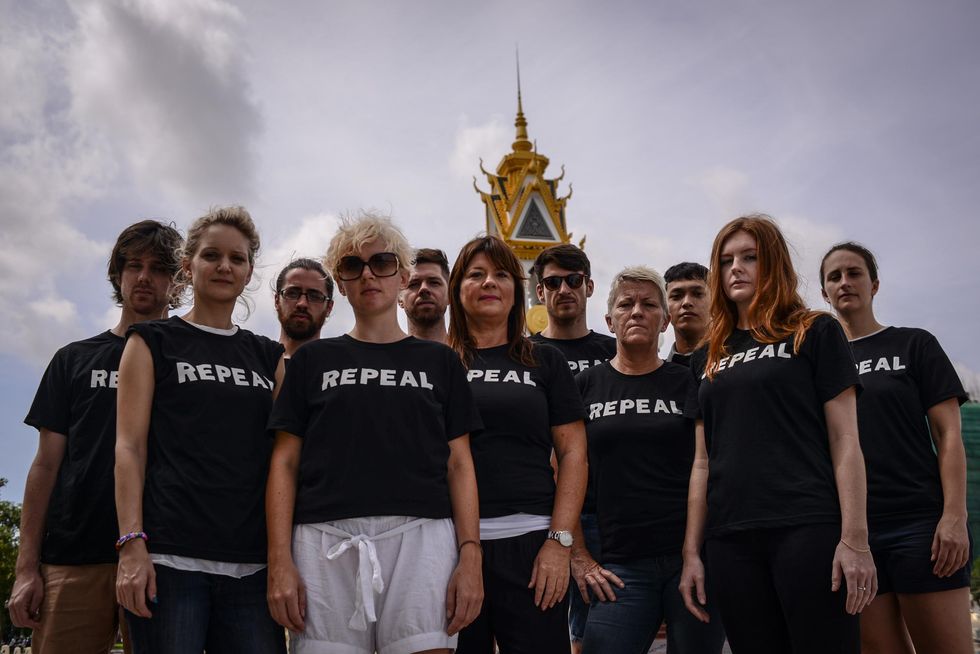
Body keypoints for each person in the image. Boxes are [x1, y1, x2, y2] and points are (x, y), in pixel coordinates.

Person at [266, 213, 483, 654]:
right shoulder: (311, 362)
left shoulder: (440, 362)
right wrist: (280, 559)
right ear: (340, 285)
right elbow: (284, 462)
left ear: (402, 275)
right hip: (324, 541)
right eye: (351, 265)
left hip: (423, 539)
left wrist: (471, 553)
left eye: (381, 261)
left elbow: (459, 463)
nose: (367, 273)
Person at [679, 214, 876, 654]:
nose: (736, 268)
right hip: (730, 536)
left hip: (806, 526)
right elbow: (701, 462)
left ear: (774, 265)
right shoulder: (707, 355)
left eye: (750, 257)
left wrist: (855, 539)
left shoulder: (813, 329)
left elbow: (846, 441)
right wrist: (693, 552)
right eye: (726, 260)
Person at [114, 206, 286, 654]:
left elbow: (285, 460)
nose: (225, 266)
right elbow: (129, 448)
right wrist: (131, 544)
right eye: (212, 255)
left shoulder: (268, 357)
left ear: (250, 272)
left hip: (251, 567)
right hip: (170, 562)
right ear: (188, 266)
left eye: (238, 258)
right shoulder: (151, 341)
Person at [10, 220, 182, 653]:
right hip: (74, 555)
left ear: (178, 280)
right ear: (117, 274)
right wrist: (26, 568)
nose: (144, 277)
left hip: (165, 558)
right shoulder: (74, 360)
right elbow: (45, 466)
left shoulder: (188, 364)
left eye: (159, 267)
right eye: (134, 265)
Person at [820, 242, 973, 654]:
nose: (845, 282)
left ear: (875, 284)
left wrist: (954, 517)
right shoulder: (816, 360)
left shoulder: (914, 344)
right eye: (834, 277)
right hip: (852, 533)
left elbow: (949, 436)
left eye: (854, 273)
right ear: (824, 294)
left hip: (920, 525)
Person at [450, 235, 588, 654]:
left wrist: (559, 542)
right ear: (458, 290)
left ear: (518, 291)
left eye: (501, 274)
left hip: (532, 544)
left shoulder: (544, 360)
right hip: (451, 546)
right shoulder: (437, 362)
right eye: (476, 275)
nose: (489, 282)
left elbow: (573, 454)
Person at [576, 266, 725, 654]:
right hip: (620, 564)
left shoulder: (689, 381)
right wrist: (578, 557)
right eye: (626, 304)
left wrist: (694, 554)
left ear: (665, 321)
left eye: (649, 304)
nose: (637, 312)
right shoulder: (585, 386)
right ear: (610, 321)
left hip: (691, 560)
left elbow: (704, 465)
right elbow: (563, 476)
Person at [528, 243, 615, 652]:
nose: (564, 289)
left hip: (610, 511)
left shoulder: (613, 353)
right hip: (539, 518)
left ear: (589, 287)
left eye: (574, 280)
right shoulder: (523, 355)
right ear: (539, 293)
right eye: (552, 282)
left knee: (600, 632)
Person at [274, 257, 334, 358]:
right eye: (292, 293)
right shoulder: (257, 366)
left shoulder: (339, 369)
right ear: (277, 301)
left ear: (329, 307)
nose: (302, 304)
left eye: (314, 296)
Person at [399, 247, 451, 344]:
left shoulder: (472, 356)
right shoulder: (383, 358)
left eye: (434, 282)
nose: (424, 289)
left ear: (450, 295)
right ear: (399, 298)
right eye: (414, 284)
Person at [663, 262, 709, 368]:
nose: (686, 302)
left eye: (697, 294)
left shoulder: (736, 366)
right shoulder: (656, 377)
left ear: (716, 302)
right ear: (665, 308)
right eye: (677, 296)